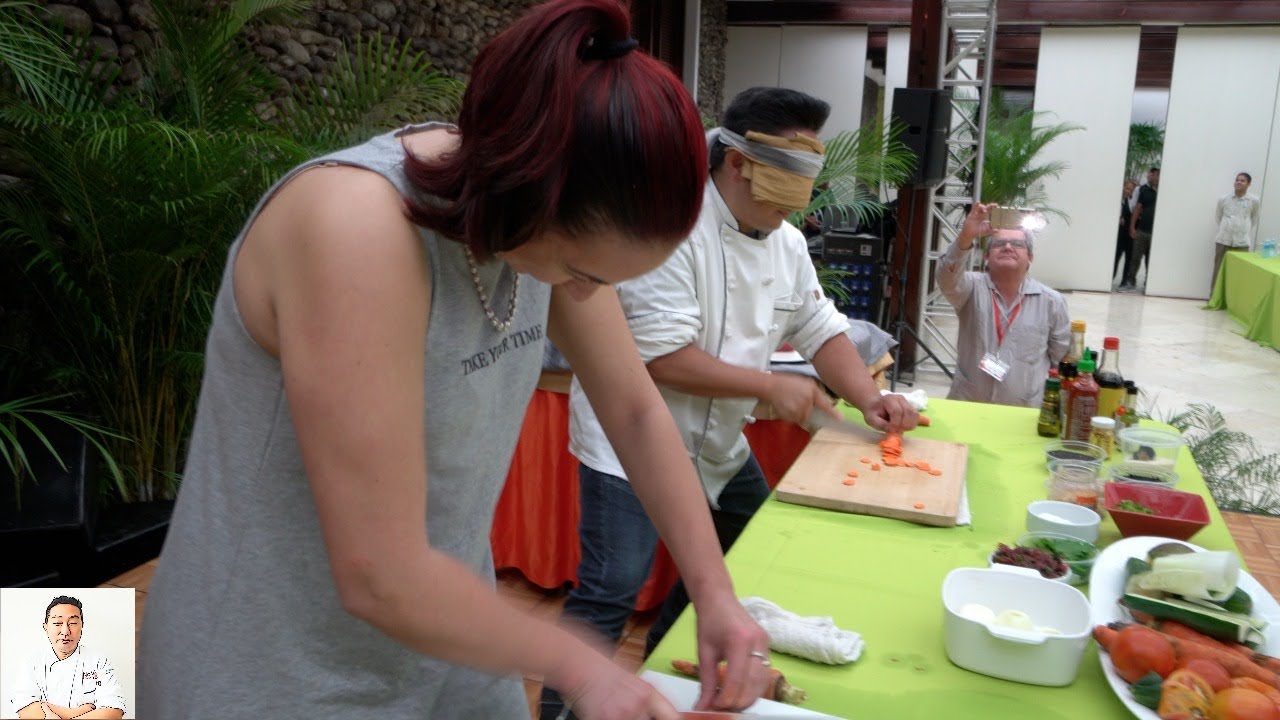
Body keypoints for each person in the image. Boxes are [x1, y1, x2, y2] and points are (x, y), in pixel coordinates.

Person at [136, 1, 772, 717]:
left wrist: (717, 596)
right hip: (273, 668)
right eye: (583, 273)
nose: (586, 296)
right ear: (531, 191)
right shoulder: (357, 226)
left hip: (451, 639)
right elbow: (379, 575)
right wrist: (584, 667)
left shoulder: (537, 220)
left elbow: (634, 411)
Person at [542, 87, 919, 718]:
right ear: (738, 162)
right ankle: (556, 708)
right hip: (627, 445)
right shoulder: (672, 230)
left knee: (743, 537)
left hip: (717, 444)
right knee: (610, 588)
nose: (783, 214)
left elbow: (819, 327)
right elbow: (660, 359)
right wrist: (771, 386)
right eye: (778, 193)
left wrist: (870, 400)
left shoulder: (786, 242)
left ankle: (667, 670)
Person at [936, 203, 1071, 408]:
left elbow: (1061, 360)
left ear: (1030, 258)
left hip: (1025, 412)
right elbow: (946, 278)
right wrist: (966, 237)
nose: (1008, 247)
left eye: (1017, 245)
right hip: (968, 406)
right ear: (987, 257)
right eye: (999, 244)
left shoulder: (1052, 302)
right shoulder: (970, 288)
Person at [7, 596, 127, 719]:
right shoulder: (32, 661)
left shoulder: (98, 661)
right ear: (46, 627)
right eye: (57, 623)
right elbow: (24, 709)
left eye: (73, 623)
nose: (65, 631)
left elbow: (114, 711)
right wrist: (76, 712)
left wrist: (45, 708)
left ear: (82, 626)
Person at [1212, 172, 1261, 286]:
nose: (1239, 182)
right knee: (1218, 271)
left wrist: (1242, 229)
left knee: (1238, 273)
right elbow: (1218, 217)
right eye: (1237, 180)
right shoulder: (1224, 199)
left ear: (1248, 184)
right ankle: (1214, 299)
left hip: (1242, 243)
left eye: (1242, 180)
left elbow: (1254, 219)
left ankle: (1234, 302)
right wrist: (1226, 228)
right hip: (1223, 241)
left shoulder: (1254, 201)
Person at [1124, 167, 1160, 290]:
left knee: (1151, 259)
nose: (1153, 176)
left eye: (1156, 174)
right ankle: (1131, 281)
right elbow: (1137, 209)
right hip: (1142, 231)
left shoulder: (1165, 191)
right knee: (1135, 258)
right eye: (1152, 174)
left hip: (1157, 234)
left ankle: (1149, 283)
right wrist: (1132, 227)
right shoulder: (1143, 190)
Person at [1114, 180, 1136, 288]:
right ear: (1122, 187)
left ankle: (1124, 281)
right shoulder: (1116, 200)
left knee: (1129, 259)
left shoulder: (1130, 203)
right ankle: (1110, 278)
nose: (1128, 191)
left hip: (1128, 236)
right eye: (1127, 188)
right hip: (1119, 235)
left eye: (1130, 190)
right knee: (1116, 257)